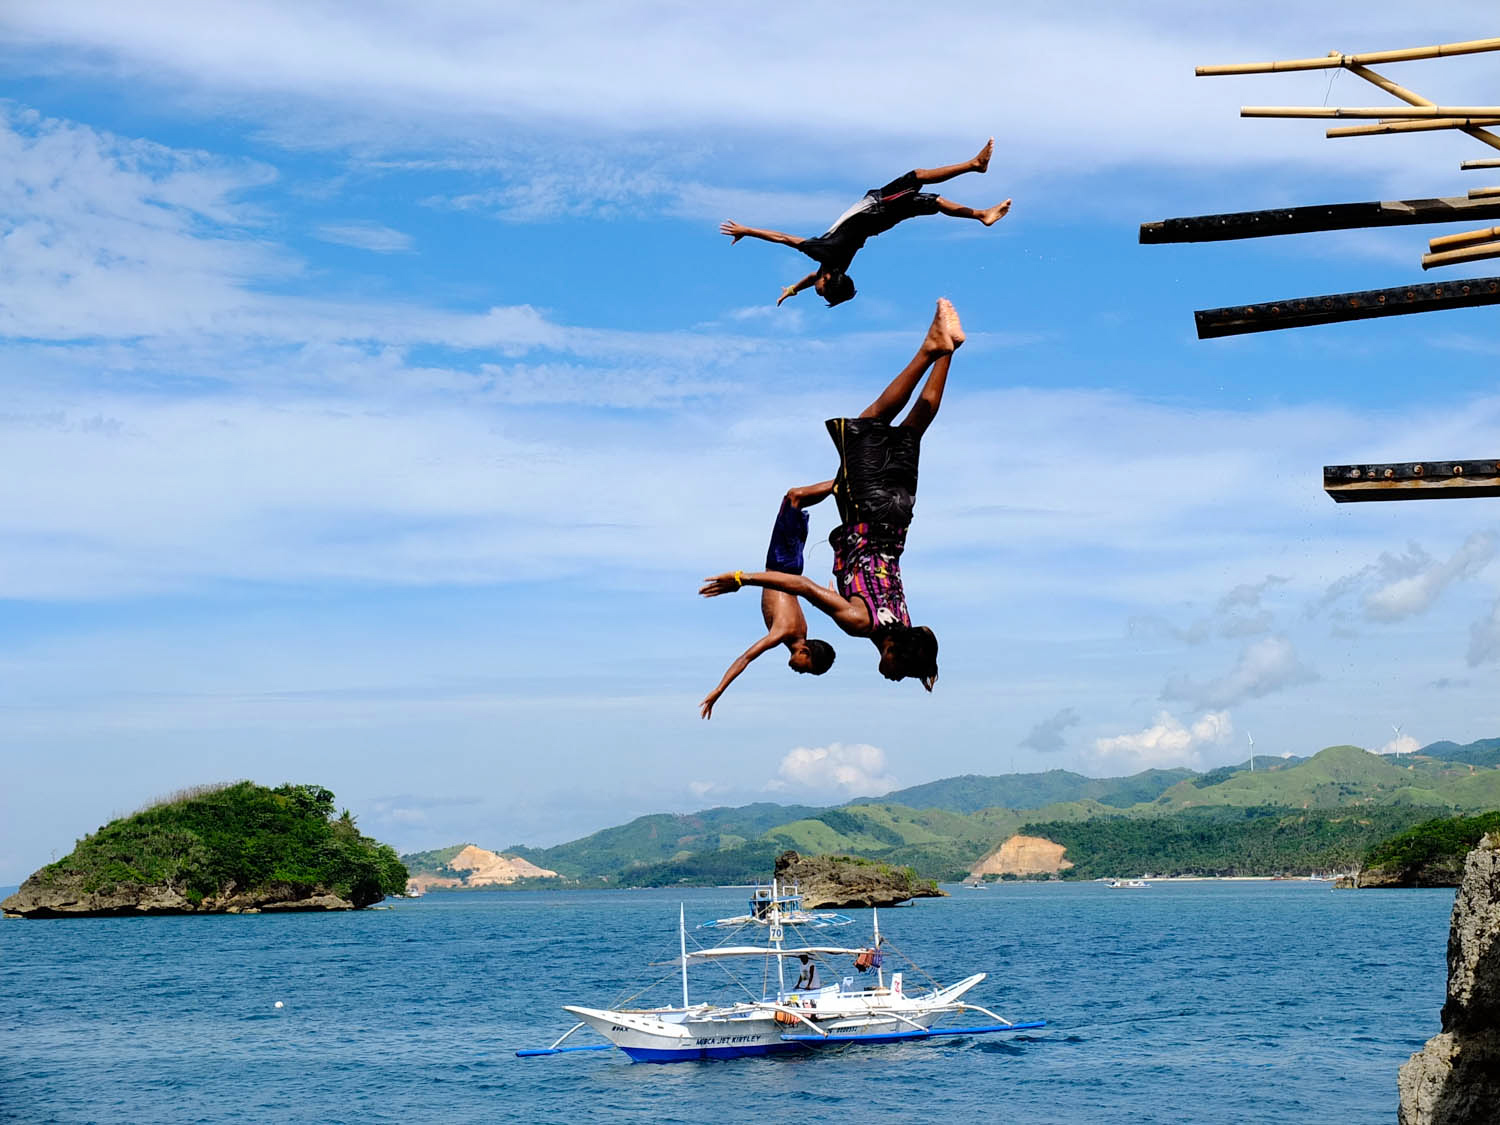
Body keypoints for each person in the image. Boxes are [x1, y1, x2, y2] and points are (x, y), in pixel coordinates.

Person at [699, 299, 961, 689]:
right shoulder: (860, 624)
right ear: (891, 651)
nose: (893, 678)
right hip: (866, 512)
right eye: (899, 671)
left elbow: (913, 640)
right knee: (868, 422)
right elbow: (803, 586)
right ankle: (931, 349)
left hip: (898, 517)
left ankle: (948, 351)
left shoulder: (904, 622)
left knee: (912, 430)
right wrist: (741, 578)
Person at [719, 139, 1009, 307]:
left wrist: (793, 289)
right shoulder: (827, 256)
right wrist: (748, 230)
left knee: (936, 202)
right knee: (918, 176)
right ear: (830, 279)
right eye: (821, 290)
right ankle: (974, 166)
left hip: (881, 222)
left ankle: (981, 215)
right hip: (878, 210)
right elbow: (783, 237)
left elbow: (811, 276)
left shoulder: (836, 265)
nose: (817, 288)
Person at [699, 485, 838, 719]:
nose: (800, 672)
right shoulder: (783, 632)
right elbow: (746, 658)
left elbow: (808, 600)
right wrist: (720, 689)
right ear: (805, 651)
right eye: (807, 668)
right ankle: (838, 485)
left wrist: (829, 595)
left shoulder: (801, 631)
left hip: (790, 565)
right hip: (781, 563)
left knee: (794, 500)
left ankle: (838, 487)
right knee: (794, 497)